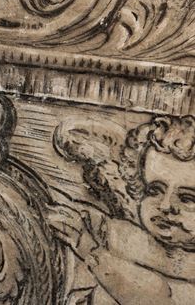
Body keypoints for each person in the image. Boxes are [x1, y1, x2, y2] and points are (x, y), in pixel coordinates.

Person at [47, 115, 195, 305]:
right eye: (154, 190)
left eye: (187, 199)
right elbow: (109, 228)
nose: (165, 206)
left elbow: (157, 296)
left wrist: (90, 250)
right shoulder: (140, 238)